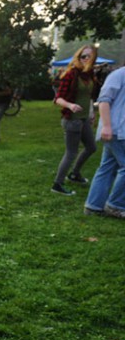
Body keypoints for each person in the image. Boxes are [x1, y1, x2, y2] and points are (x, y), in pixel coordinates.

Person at [52, 45, 99, 195]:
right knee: (71, 152)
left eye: (89, 57)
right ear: (77, 57)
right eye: (82, 56)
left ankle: (74, 174)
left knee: (91, 147)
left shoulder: (89, 74)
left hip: (84, 119)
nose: (85, 59)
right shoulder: (71, 74)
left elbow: (89, 97)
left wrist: (92, 112)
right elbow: (58, 98)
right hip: (72, 119)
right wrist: (70, 105)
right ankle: (57, 185)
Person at [84, 66, 125, 219]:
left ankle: (93, 206)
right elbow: (103, 101)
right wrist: (107, 126)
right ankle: (115, 205)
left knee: (107, 167)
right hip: (116, 131)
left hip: (118, 131)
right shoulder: (119, 75)